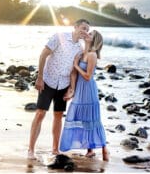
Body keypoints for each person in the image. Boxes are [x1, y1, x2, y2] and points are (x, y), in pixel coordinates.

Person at [27, 19, 90, 159]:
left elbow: (74, 71)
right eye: (83, 28)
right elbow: (43, 54)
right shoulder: (59, 37)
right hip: (48, 80)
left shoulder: (79, 48)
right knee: (40, 113)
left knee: (58, 115)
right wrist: (40, 77)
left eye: (87, 29)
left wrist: (71, 89)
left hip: (64, 84)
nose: (84, 31)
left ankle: (55, 149)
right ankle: (31, 149)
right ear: (75, 27)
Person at [59, 30, 109, 161]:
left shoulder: (92, 55)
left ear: (94, 40)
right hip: (80, 90)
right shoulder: (81, 53)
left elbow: (87, 76)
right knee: (82, 117)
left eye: (91, 34)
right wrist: (72, 90)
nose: (87, 34)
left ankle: (104, 148)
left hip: (88, 89)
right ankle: (90, 149)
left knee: (91, 119)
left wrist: (76, 65)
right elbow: (74, 74)